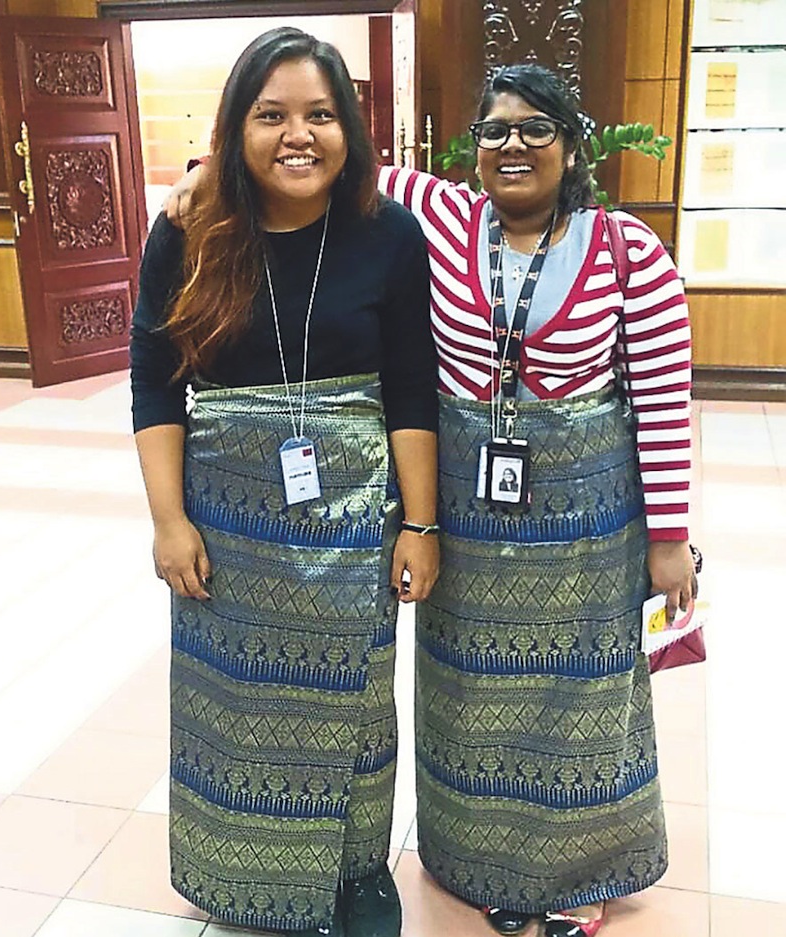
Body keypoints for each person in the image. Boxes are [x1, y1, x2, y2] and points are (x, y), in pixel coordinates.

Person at [165, 63, 696, 937]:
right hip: (466, 523)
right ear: (474, 148)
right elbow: (315, 160)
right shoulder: (442, 218)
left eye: (536, 128)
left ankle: (575, 875)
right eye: (495, 131)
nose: (513, 146)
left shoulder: (626, 250)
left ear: (572, 144)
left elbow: (666, 396)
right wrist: (201, 168)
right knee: (468, 694)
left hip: (588, 525)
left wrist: (669, 536)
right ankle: (475, 861)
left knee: (582, 692)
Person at [132, 27, 439, 937]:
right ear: (236, 128)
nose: (297, 135)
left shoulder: (389, 231)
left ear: (351, 126)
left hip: (353, 521)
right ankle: (238, 882)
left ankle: (359, 875)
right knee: (236, 703)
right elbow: (155, 380)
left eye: (320, 113)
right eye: (270, 115)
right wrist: (167, 520)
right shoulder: (187, 231)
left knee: (357, 701)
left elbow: (412, 383)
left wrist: (419, 525)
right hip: (226, 522)